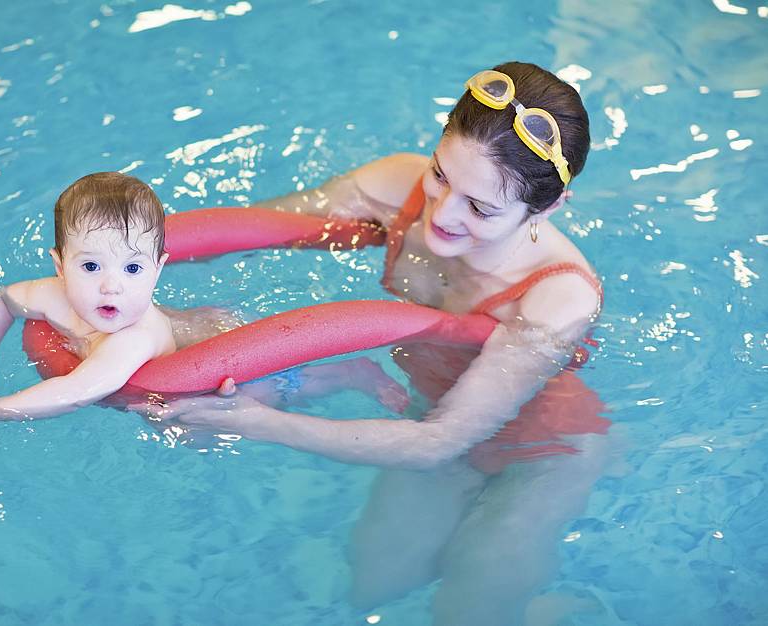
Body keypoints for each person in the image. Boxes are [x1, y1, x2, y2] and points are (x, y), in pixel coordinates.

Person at [159, 61, 614, 622]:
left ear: (546, 207)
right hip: (429, 407)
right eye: (442, 174)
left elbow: (437, 443)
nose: (443, 213)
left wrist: (254, 421)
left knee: (467, 609)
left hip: (541, 455)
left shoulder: (556, 297)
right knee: (373, 586)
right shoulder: (396, 185)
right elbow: (255, 227)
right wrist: (128, 283)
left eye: (482, 208)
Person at [0, 172, 175, 421]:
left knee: (193, 418)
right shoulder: (54, 296)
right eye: (91, 266)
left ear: (157, 270)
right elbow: (1, 299)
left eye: (133, 268)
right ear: (61, 267)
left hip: (165, 399)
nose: (111, 287)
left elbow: (77, 391)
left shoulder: (136, 338)